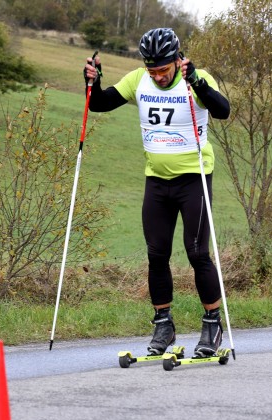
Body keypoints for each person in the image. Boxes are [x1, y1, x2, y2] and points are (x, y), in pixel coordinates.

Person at [83, 27, 231, 357]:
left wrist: (196, 82)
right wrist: (92, 82)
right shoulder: (139, 80)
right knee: (156, 254)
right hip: (157, 181)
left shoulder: (196, 77)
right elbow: (100, 105)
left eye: (163, 70)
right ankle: (163, 325)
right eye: (153, 71)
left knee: (196, 253)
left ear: (177, 60)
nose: (158, 76)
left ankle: (212, 325)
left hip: (194, 177)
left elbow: (222, 110)